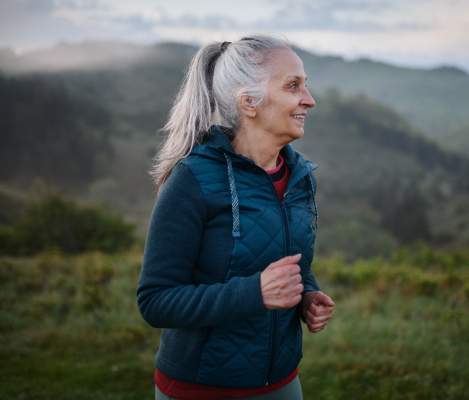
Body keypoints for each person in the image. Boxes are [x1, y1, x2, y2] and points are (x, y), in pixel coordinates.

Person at [137, 34, 334, 400]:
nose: (309, 99)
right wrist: (254, 293)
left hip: (283, 382)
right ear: (248, 102)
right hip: (202, 388)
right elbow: (155, 300)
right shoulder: (192, 180)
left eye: (305, 86)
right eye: (294, 86)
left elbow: (284, 258)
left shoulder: (299, 177)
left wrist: (306, 293)